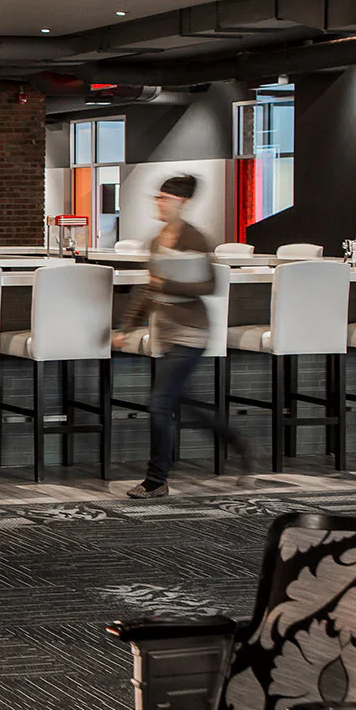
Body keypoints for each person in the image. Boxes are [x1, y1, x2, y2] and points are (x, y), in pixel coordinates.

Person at [114, 174, 241, 498]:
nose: (159, 203)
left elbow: (209, 285)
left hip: (191, 332)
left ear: (180, 203)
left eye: (165, 198)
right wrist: (126, 327)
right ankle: (234, 440)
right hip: (165, 333)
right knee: (176, 400)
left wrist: (165, 284)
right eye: (157, 197)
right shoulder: (156, 241)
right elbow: (147, 289)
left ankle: (156, 480)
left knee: (159, 405)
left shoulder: (194, 239)